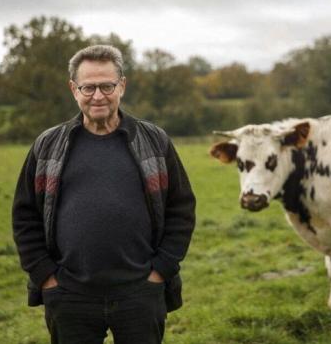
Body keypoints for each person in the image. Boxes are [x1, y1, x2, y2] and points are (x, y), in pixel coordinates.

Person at [12, 44, 196, 344]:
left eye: (107, 86)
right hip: (70, 295)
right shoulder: (47, 146)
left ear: (121, 85)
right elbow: (25, 216)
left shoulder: (154, 141)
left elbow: (181, 209)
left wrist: (161, 271)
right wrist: (46, 276)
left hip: (140, 293)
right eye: (88, 87)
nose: (98, 95)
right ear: (74, 89)